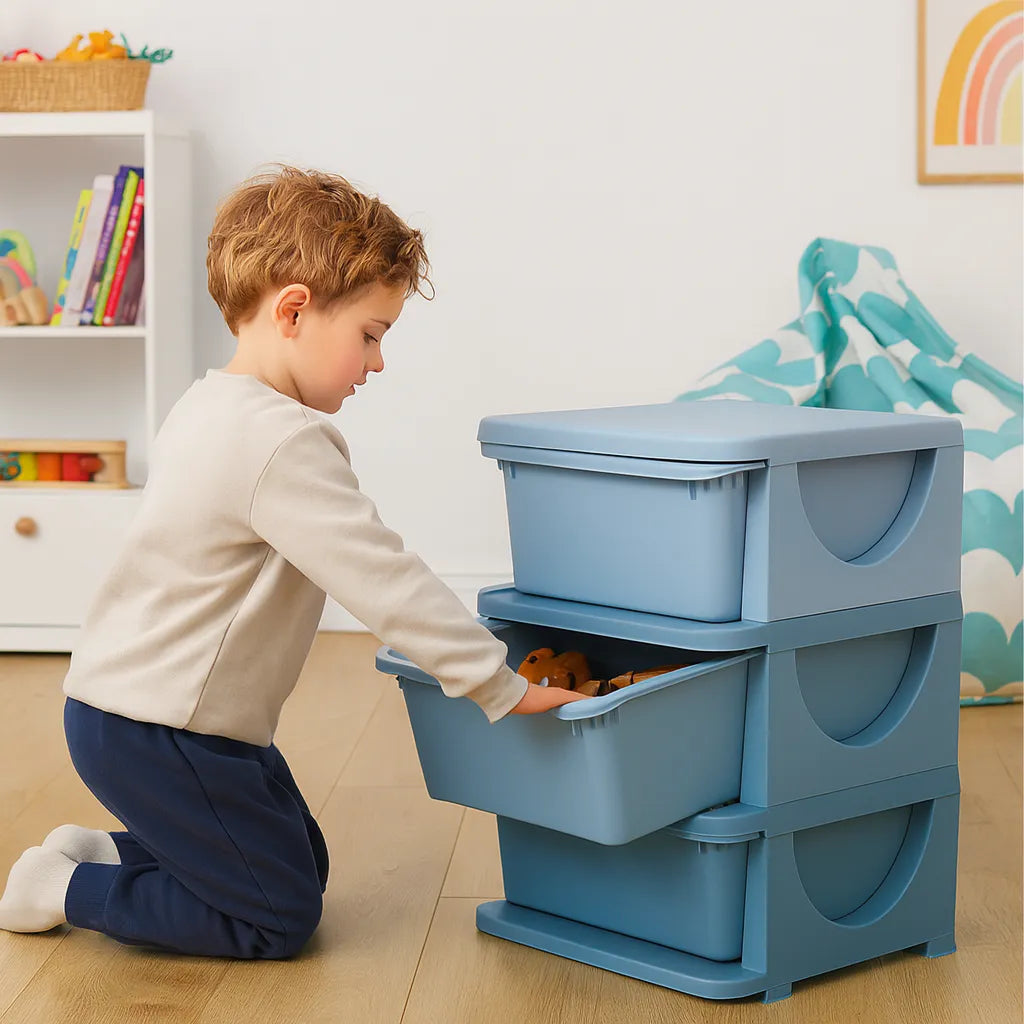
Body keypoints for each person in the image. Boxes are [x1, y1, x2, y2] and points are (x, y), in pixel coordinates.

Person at [0, 166, 585, 956]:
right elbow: (382, 576)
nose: (375, 364)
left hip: (163, 718)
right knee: (277, 915)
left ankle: (99, 851)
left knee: (301, 865)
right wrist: (496, 683)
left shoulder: (211, 404)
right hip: (159, 726)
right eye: (370, 335)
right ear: (295, 309)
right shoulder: (281, 441)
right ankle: (64, 888)